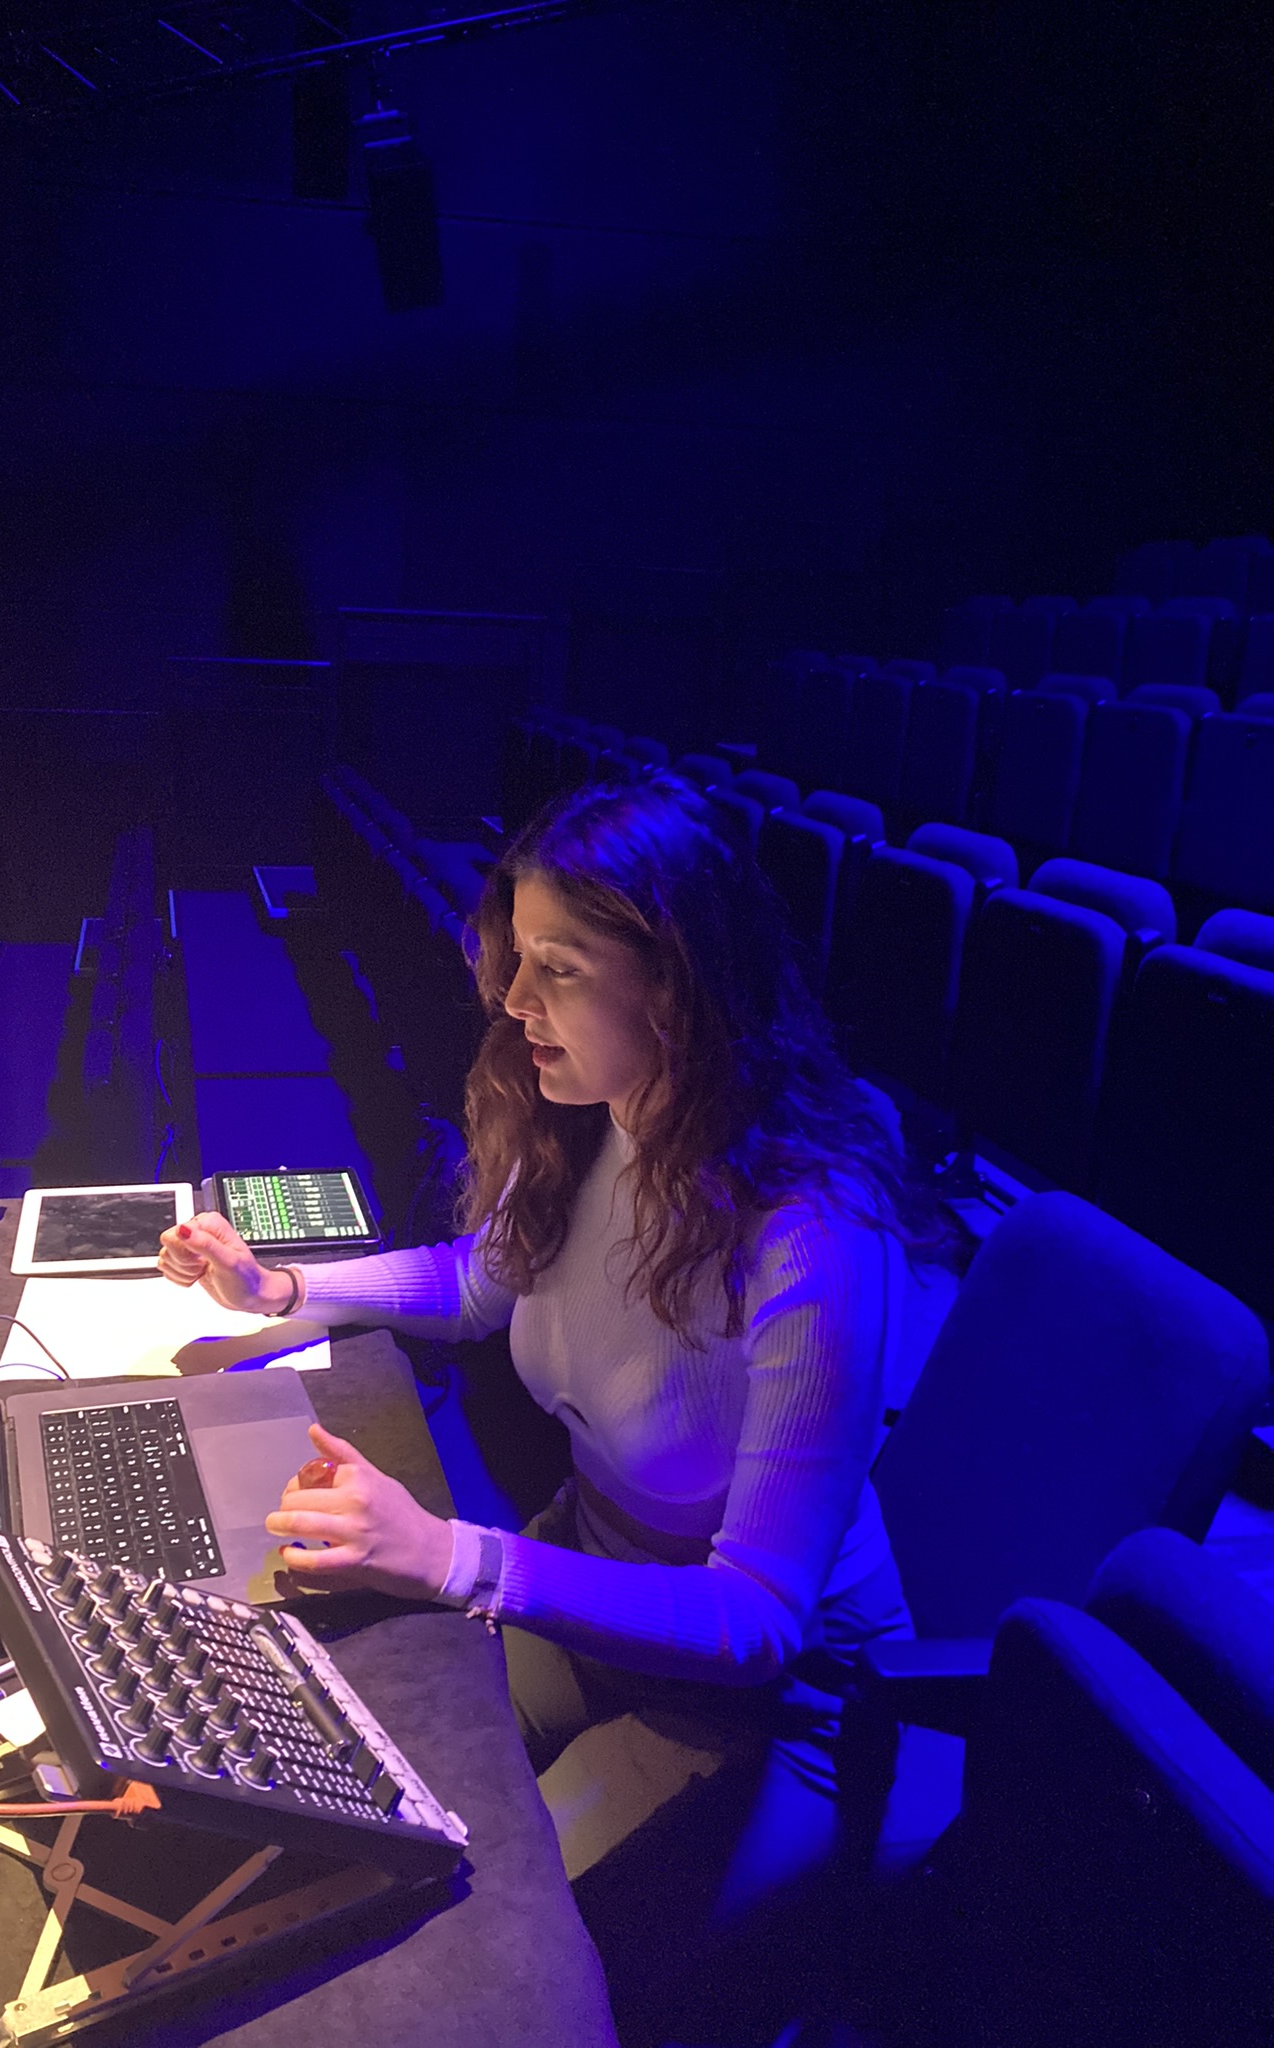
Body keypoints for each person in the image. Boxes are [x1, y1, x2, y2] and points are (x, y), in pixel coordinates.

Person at [159, 774, 960, 2023]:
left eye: (559, 968)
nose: (514, 1000)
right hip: (592, 1587)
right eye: (518, 958)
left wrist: (452, 1555)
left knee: (454, 1955)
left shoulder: (816, 1238)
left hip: (756, 1709)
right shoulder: (602, 1115)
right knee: (334, 1798)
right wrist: (282, 1288)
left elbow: (756, 1618)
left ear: (675, 985)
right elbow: (479, 1279)